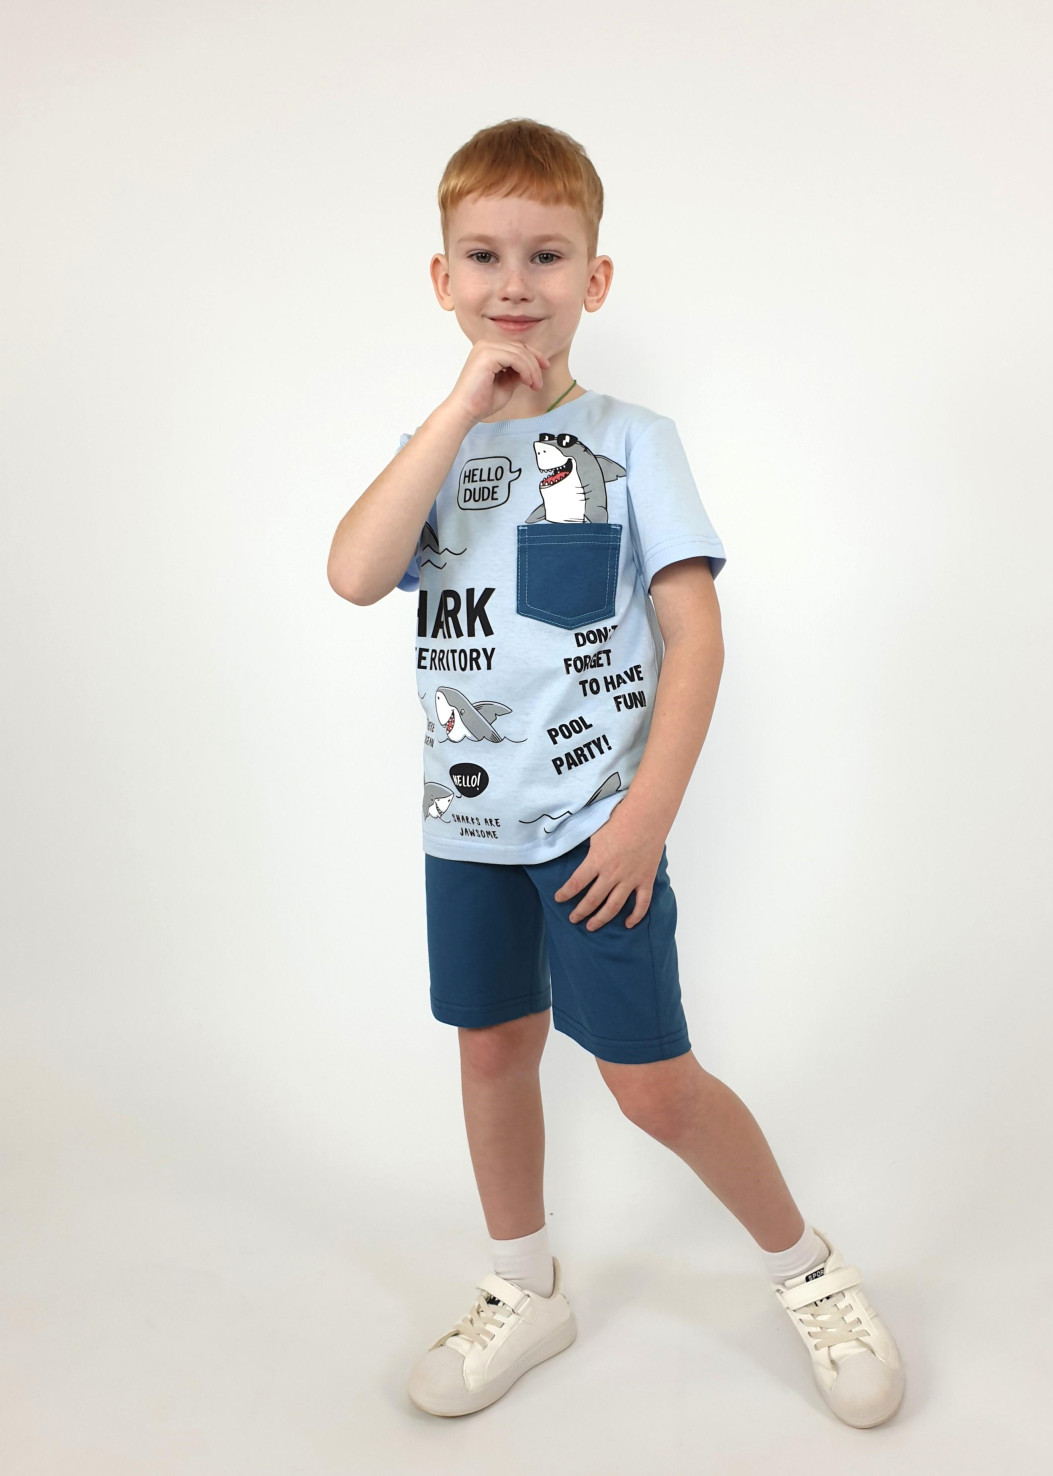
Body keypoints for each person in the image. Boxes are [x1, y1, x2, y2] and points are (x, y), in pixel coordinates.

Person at [327, 117, 905, 1428]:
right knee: (491, 1051)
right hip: (467, 830)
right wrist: (459, 410)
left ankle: (807, 1270)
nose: (512, 283)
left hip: (596, 828)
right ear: (441, 279)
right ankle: (523, 1285)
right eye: (483, 255)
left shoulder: (633, 440)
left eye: (545, 255)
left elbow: (696, 635)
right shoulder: (434, 448)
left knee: (651, 1086)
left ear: (593, 278)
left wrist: (644, 817)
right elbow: (356, 574)